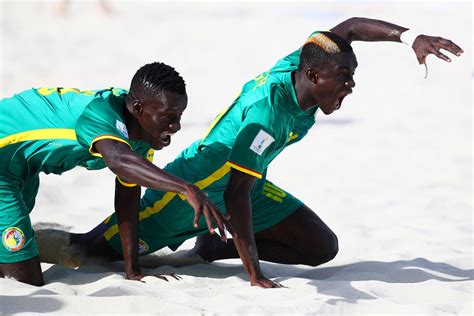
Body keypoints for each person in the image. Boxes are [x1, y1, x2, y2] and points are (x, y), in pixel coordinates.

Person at [47, 17, 463, 288]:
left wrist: (410, 37)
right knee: (91, 249)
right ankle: (24, 246)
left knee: (322, 248)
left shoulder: (305, 64)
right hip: (194, 191)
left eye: (351, 76)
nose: (350, 86)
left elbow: (349, 28)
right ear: (314, 76)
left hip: (247, 183)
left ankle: (210, 248)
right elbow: (234, 195)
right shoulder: (265, 114)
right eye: (344, 78)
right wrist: (254, 275)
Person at [0, 62, 230, 286]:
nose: (177, 126)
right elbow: (118, 160)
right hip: (4, 166)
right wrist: (186, 187)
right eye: (169, 115)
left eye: (180, 115)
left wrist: (133, 271)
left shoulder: (140, 137)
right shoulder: (100, 114)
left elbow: (127, 200)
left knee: (9, 252)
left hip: (22, 170)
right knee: (25, 280)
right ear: (139, 109)